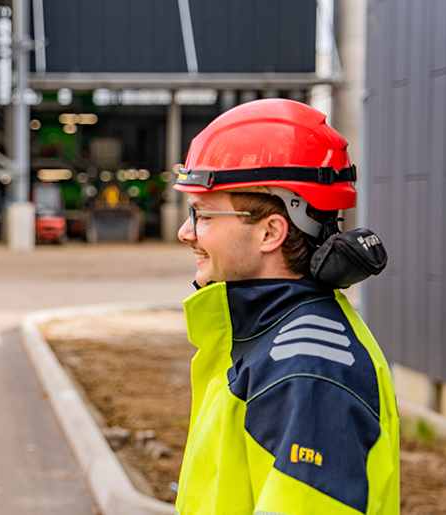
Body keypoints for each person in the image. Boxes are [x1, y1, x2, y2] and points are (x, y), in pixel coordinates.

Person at [173, 98, 396, 514]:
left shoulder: (310, 371)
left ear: (270, 231)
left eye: (202, 214)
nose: (186, 232)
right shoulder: (268, 336)